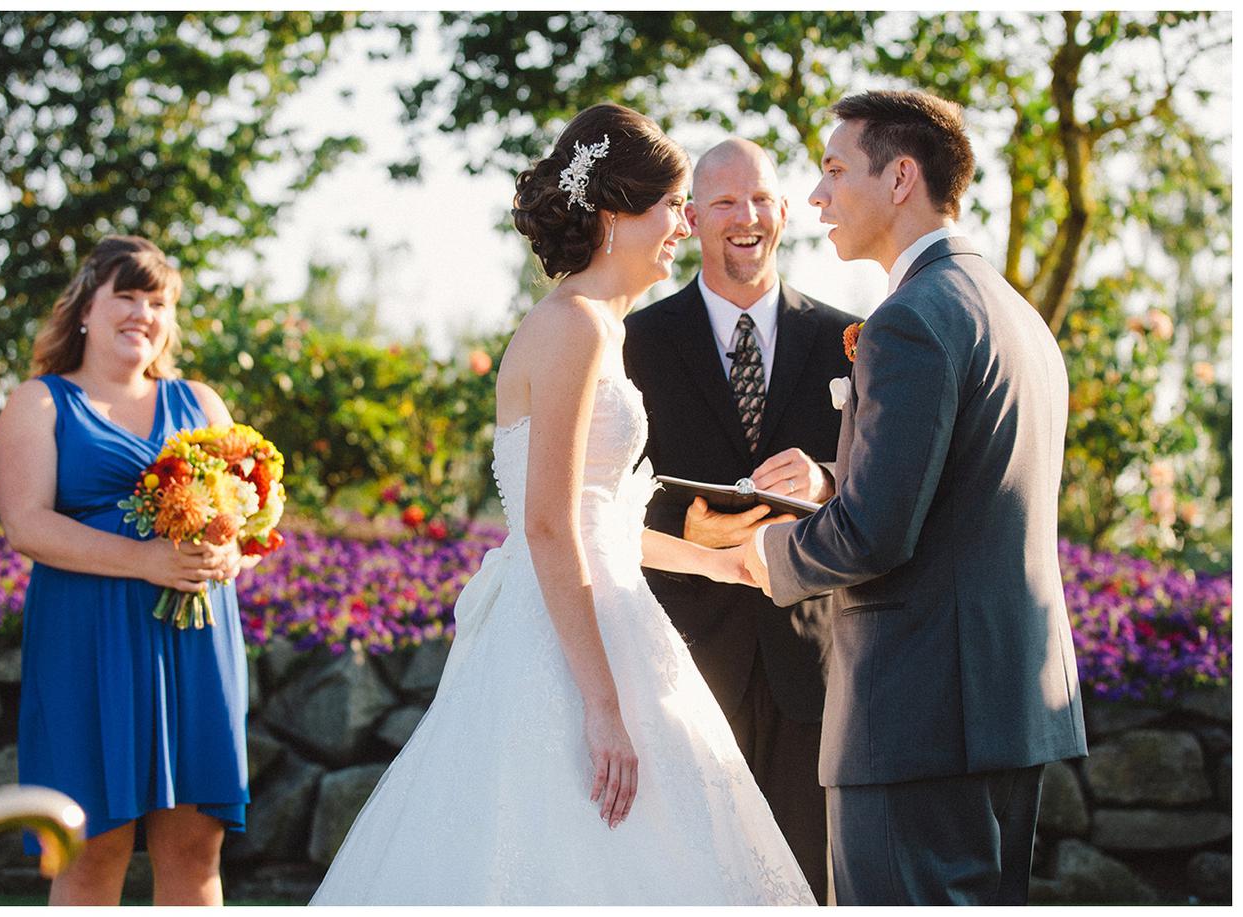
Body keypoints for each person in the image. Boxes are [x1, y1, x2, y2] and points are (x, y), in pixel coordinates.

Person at [310, 103, 814, 906]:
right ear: (616, 213)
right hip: (566, 643)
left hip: (604, 610)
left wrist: (720, 563)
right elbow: (547, 525)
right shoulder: (573, 327)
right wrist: (604, 706)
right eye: (672, 205)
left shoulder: (601, 328)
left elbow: (600, 521)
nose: (684, 224)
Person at [744, 89, 1088, 905]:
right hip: (1013, 705)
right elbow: (964, 489)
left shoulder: (910, 319)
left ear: (901, 178)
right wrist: (833, 480)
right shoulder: (1014, 313)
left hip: (915, 719)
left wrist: (764, 553)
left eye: (835, 170)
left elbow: (873, 534)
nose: (817, 196)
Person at [624, 138, 857, 901]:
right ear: (692, 219)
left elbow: (888, 477)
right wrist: (682, 529)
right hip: (682, 657)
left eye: (760, 198)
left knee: (802, 885)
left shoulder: (851, 338)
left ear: (784, 211)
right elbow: (602, 490)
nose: (745, 216)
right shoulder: (634, 340)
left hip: (809, 661)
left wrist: (826, 478)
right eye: (724, 201)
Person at [0, 236, 252, 905]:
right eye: (127, 296)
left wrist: (231, 552)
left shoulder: (202, 402)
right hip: (87, 642)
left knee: (195, 848)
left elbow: (244, 518)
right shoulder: (40, 403)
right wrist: (147, 560)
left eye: (158, 302)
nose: (143, 313)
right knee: (91, 848)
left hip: (194, 642)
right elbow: (26, 524)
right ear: (86, 307)